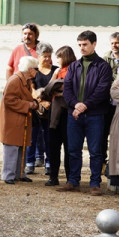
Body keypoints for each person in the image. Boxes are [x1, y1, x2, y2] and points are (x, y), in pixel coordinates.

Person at [58, 30, 113, 196]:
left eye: (85, 44)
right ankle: (73, 181)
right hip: (74, 115)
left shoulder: (103, 66)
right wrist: (75, 105)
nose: (81, 48)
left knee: (96, 151)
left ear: (94, 44)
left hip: (95, 115)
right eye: (79, 45)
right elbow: (66, 89)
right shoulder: (74, 66)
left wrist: (84, 105)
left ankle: (95, 183)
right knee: (73, 149)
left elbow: (102, 90)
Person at [0, 56, 39, 185]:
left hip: (20, 121)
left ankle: (19, 173)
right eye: (36, 69)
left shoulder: (25, 80)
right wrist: (29, 105)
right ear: (30, 69)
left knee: (21, 147)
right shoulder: (15, 80)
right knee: (12, 148)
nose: (37, 71)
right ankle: (8, 175)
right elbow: (9, 100)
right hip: (12, 121)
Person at [39, 46, 76, 186]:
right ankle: (54, 177)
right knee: (53, 146)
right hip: (55, 114)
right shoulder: (58, 71)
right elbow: (48, 91)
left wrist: (59, 90)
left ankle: (70, 178)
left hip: (68, 113)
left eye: (59, 57)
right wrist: (54, 79)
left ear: (65, 57)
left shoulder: (74, 70)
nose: (56, 60)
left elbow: (70, 89)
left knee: (69, 147)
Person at [25, 42, 57, 175]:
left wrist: (47, 103)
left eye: (49, 56)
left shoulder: (55, 70)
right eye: (45, 56)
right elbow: (31, 89)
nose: (48, 59)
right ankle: (30, 163)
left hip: (51, 109)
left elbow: (56, 88)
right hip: (35, 109)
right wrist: (41, 102)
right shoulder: (34, 71)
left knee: (49, 136)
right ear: (38, 56)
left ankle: (49, 163)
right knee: (32, 136)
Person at [101, 32, 119, 187]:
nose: (115, 46)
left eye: (117, 43)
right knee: (103, 135)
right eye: (112, 43)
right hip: (107, 103)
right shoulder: (105, 58)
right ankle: (103, 163)